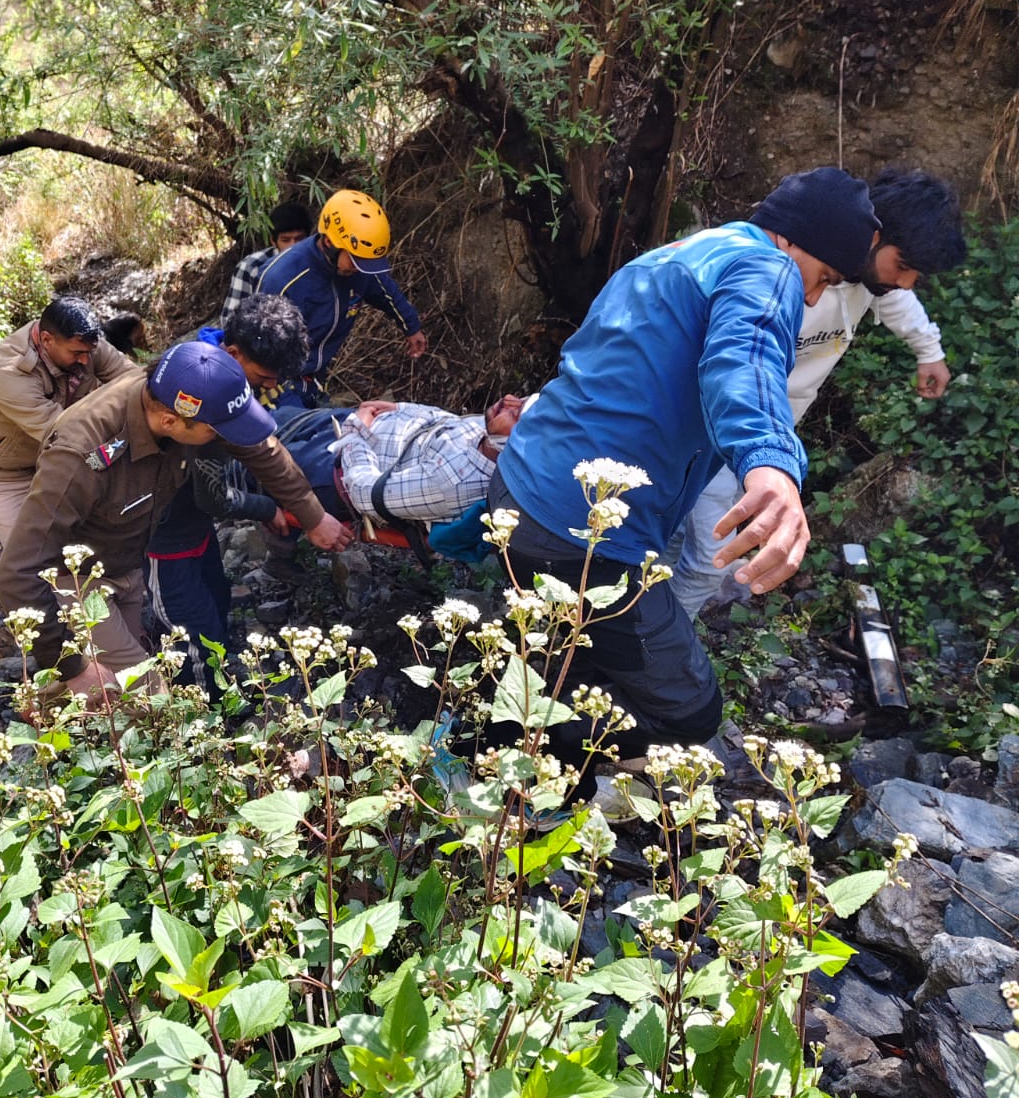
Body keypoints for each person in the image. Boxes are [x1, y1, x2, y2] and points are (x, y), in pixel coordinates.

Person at [486, 166, 881, 791]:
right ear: (797, 241)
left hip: (520, 486)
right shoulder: (768, 268)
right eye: (824, 278)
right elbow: (744, 360)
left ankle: (510, 754)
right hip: (585, 528)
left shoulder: (679, 253)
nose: (812, 298)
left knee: (560, 646)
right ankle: (547, 771)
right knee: (691, 709)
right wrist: (772, 466)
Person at [669, 167, 967, 619]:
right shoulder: (788, 271)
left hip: (762, 442)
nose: (905, 282)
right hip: (717, 427)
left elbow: (898, 300)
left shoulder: (874, 282)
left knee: (688, 539)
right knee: (705, 561)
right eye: (903, 266)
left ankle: (649, 625)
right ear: (870, 235)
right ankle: (655, 652)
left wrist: (929, 352)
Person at [0, 341, 352, 706]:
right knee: (149, 697)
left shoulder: (185, 404)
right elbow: (16, 572)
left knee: (115, 688)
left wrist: (312, 514)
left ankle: (70, 715)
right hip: (77, 578)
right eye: (216, 430)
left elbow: (260, 448)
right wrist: (69, 665)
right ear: (170, 422)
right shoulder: (80, 453)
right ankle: (47, 711)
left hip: (127, 561)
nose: (224, 438)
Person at [145, 296, 312, 700]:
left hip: (195, 531)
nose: (268, 388)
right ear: (233, 352)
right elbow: (213, 498)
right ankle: (206, 711)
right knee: (192, 629)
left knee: (216, 602)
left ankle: (214, 673)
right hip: (164, 542)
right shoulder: (196, 398)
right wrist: (265, 507)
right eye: (262, 378)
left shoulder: (217, 375)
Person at [0, 296, 133, 549]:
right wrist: (121, 444)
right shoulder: (9, 373)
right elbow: (66, 434)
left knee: (82, 539)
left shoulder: (82, 342)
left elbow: (134, 380)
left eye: (89, 352)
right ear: (46, 340)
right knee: (30, 555)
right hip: (3, 473)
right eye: (76, 353)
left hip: (49, 456)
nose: (86, 360)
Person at [257, 189, 426, 407]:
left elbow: (385, 290)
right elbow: (257, 344)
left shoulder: (359, 271)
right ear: (329, 243)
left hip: (316, 378)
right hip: (278, 384)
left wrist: (411, 326)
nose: (360, 268)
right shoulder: (281, 277)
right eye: (355, 260)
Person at [263, 395, 529, 524]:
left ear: (515, 445)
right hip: (351, 426)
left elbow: (365, 493)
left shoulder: (451, 483)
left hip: (335, 471)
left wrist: (357, 432)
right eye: (521, 398)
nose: (509, 400)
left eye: (516, 413)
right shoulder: (489, 433)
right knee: (262, 419)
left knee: (251, 460)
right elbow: (448, 420)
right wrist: (400, 409)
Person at [219, 201, 313, 325]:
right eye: (286, 240)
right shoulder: (251, 267)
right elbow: (229, 320)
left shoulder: (317, 264)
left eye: (299, 239)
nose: (293, 246)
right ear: (273, 241)